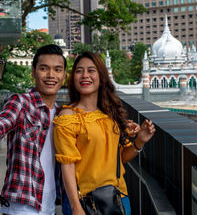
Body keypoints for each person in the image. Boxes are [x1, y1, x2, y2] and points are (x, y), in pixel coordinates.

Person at [53, 52, 155, 215]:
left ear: (101, 77)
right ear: (73, 78)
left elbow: (120, 158)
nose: (85, 75)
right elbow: (67, 165)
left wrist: (140, 141)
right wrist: (75, 207)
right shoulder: (68, 117)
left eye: (91, 70)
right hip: (85, 202)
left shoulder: (110, 115)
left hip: (118, 197)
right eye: (79, 71)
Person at [0, 44, 67, 215]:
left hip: (50, 207)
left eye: (57, 70)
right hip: (21, 207)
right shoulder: (21, 102)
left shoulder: (63, 114)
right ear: (33, 72)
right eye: (44, 68)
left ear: (64, 75)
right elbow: (3, 122)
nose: (51, 75)